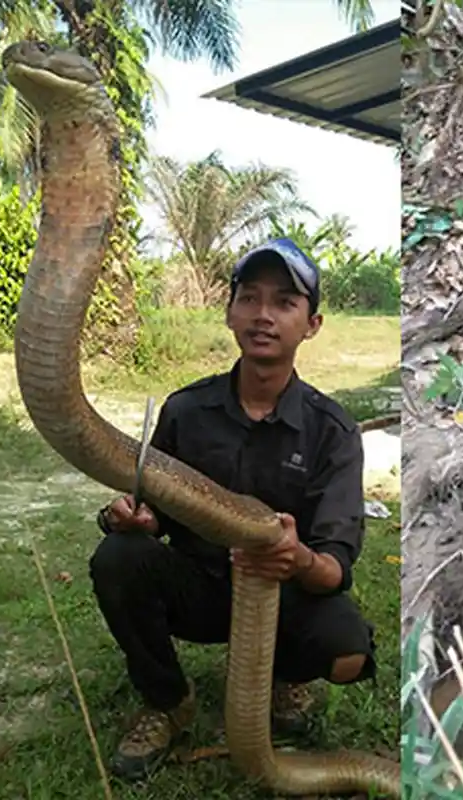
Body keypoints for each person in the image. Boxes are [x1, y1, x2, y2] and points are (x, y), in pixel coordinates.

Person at [88, 238, 376, 780]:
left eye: (285, 302)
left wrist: (297, 560)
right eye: (249, 298)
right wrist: (133, 517)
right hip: (201, 586)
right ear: (229, 313)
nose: (263, 315)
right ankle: (168, 700)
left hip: (281, 593)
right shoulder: (185, 409)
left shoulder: (332, 431)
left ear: (312, 324)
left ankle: (285, 676)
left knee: (347, 651)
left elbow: (336, 563)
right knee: (117, 557)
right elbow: (150, 511)